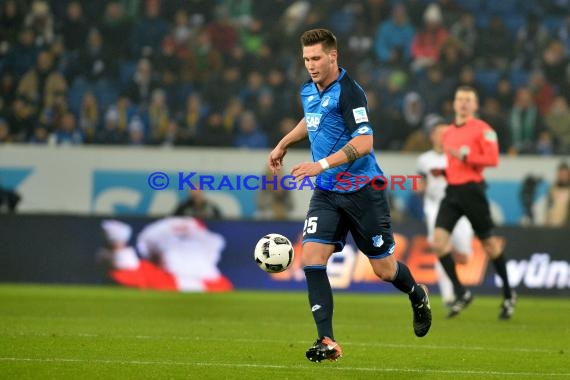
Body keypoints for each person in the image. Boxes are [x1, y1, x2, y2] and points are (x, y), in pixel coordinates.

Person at [267, 29, 431, 363]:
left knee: (384, 270)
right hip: (327, 192)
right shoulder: (308, 90)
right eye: (306, 60)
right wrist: (285, 142)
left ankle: (417, 293)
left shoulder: (350, 92)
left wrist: (321, 164)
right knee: (311, 258)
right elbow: (313, 121)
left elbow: (365, 143)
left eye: (316, 58)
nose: (311, 65)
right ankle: (326, 340)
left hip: (362, 192)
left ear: (332, 56)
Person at [432, 86, 515, 320]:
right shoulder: (448, 132)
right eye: (460, 99)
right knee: (438, 242)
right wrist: (445, 171)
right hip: (452, 191)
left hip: (472, 191)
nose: (463, 103)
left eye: (468, 100)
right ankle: (461, 292)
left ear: (475, 105)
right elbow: (454, 163)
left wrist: (466, 157)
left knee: (489, 244)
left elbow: (493, 159)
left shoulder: (484, 130)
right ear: (454, 103)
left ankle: (508, 294)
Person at [417, 123, 474, 307]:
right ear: (432, 136)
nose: (442, 136)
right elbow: (420, 183)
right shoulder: (424, 159)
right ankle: (449, 296)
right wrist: (420, 188)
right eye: (438, 133)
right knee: (439, 247)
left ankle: (452, 258)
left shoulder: (457, 156)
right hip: (434, 206)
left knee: (464, 256)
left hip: (458, 206)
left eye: (445, 133)